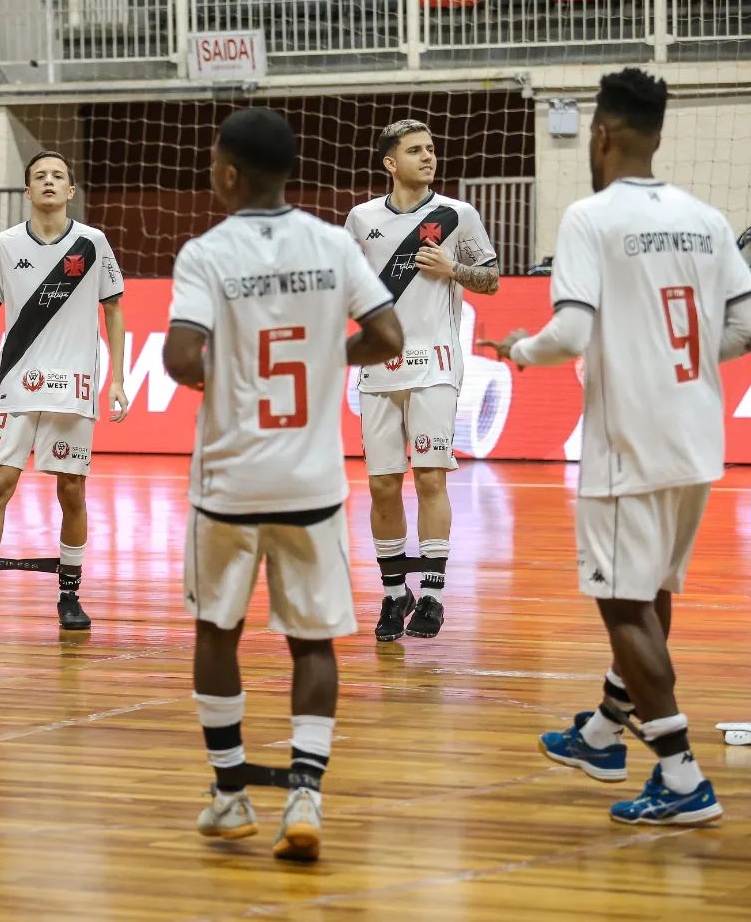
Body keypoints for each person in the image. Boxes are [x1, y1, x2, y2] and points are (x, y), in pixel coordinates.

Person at [483, 68, 751, 826]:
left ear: (599, 134)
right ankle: (604, 732)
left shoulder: (590, 217)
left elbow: (569, 332)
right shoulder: (705, 217)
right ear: (658, 135)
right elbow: (745, 325)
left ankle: (681, 775)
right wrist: (679, 360)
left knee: (622, 602)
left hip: (629, 439)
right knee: (651, 588)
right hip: (697, 436)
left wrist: (519, 348)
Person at [163, 108, 402, 863]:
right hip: (312, 480)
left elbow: (179, 358)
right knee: (312, 640)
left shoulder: (206, 253)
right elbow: (389, 337)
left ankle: (230, 792)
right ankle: (305, 794)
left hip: (230, 480)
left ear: (230, 173)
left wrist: (227, 373)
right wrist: (331, 359)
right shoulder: (334, 244)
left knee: (217, 629)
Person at [0, 150, 128, 631]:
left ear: (71, 190)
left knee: (71, 491)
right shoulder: (3, 244)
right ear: (27, 190)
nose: (49, 181)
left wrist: (118, 380)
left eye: (58, 176)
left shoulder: (92, 243)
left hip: (74, 387)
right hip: (16, 383)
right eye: (40, 176)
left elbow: (113, 309)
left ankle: (69, 593)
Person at [344, 119, 499, 642]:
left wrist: (453, 269)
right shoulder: (361, 218)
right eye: (415, 151)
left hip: (436, 365)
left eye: (430, 149)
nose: (428, 157)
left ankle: (432, 594)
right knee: (382, 484)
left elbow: (492, 280)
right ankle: (394, 594)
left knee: (430, 478)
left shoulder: (457, 214)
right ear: (391, 163)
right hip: (378, 367)